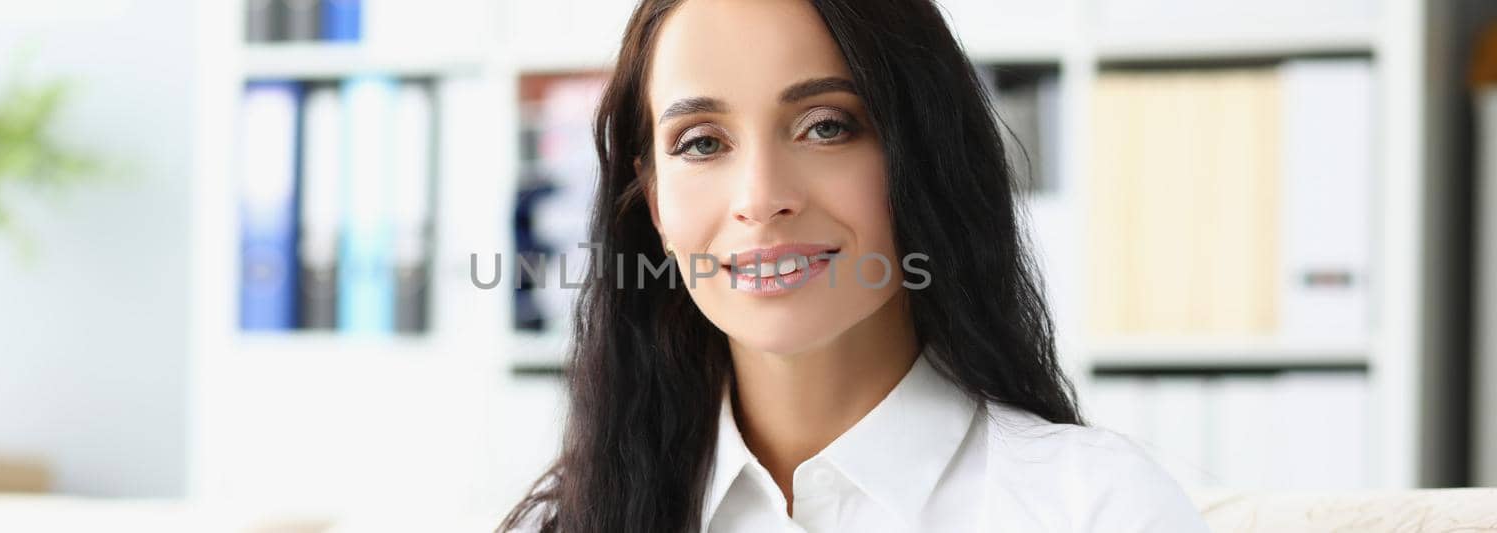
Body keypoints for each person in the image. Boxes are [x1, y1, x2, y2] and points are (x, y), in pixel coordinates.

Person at [498, 0, 1209, 531]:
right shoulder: (567, 521)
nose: (762, 198)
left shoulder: (1097, 506)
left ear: (923, 153)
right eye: (702, 143)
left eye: (826, 127)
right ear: (652, 196)